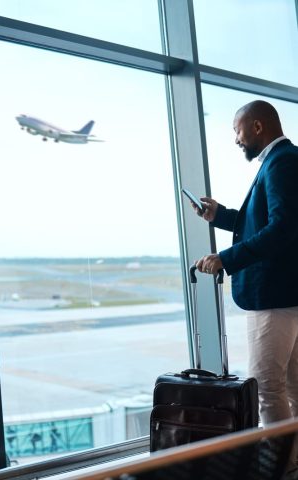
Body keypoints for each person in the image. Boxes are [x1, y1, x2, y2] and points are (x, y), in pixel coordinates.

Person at [193, 100, 298, 477]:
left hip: (273, 295)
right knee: (292, 387)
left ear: (257, 127)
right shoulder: (283, 161)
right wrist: (219, 215)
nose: (236, 140)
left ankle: (281, 468)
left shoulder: (282, 161)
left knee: (268, 388)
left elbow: (283, 229)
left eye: (237, 131)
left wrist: (226, 258)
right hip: (287, 295)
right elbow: (263, 224)